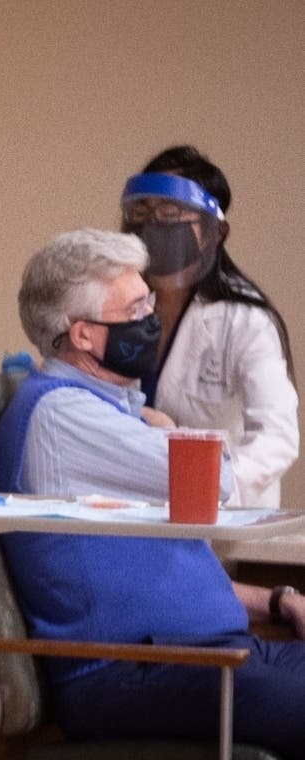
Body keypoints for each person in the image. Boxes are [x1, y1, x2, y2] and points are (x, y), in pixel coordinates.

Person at [0, 227, 305, 760]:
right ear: (83, 335)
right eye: (136, 308)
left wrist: (279, 599)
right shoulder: (63, 416)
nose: (153, 319)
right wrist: (171, 430)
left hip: (208, 652)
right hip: (132, 672)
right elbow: (218, 480)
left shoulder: (116, 410)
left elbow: (153, 569)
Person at [119, 145, 298, 507]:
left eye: (170, 212)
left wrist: (212, 485)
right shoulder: (120, 307)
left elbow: (277, 437)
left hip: (221, 519)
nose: (154, 225)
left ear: (214, 232)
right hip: (135, 507)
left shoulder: (245, 321)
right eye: (143, 211)